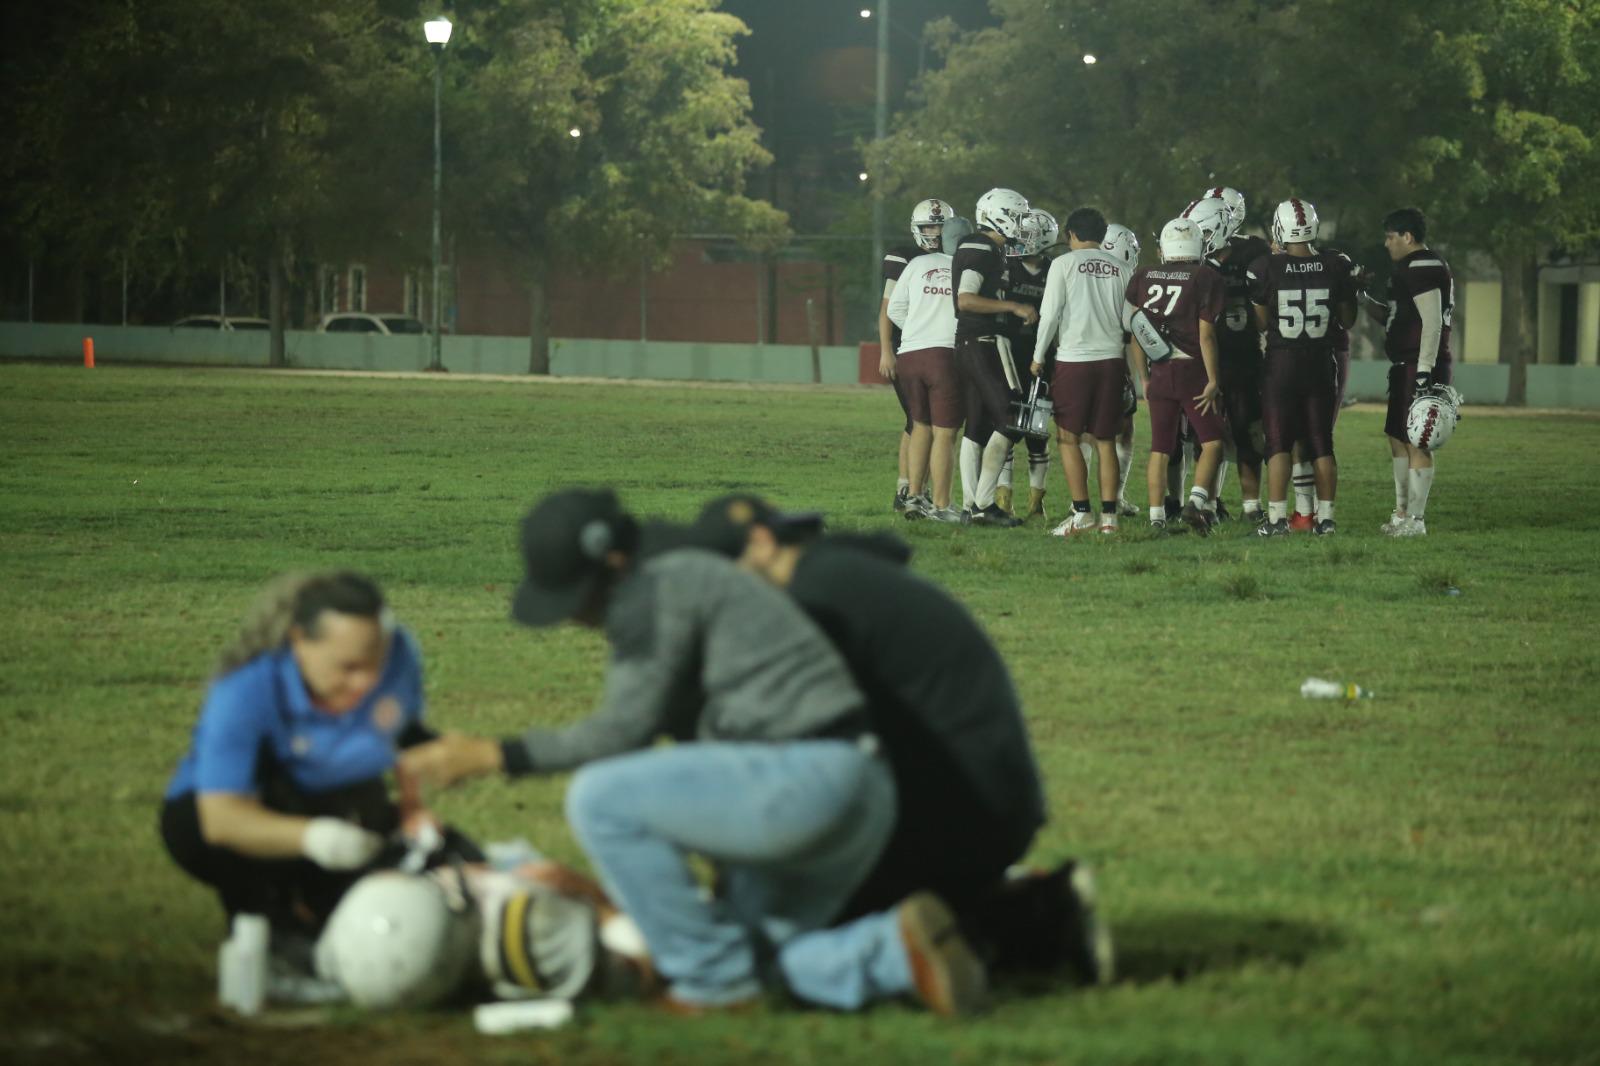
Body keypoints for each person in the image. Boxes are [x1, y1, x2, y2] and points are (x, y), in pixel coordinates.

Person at [399, 489, 988, 1016]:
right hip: (860, 787)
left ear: (612, 563)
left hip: (807, 777)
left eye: (575, 597)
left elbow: (619, 733)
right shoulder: (682, 580)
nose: (573, 616)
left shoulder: (659, 587)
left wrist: (491, 755)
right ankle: (892, 953)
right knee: (748, 953)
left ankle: (711, 985)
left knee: (601, 798)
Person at [688, 493, 1111, 983]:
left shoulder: (814, 601)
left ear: (762, 544)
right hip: (991, 794)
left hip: (966, 809)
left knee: (787, 917)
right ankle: (1025, 912)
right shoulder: (840, 573)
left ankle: (1035, 918)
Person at [160, 572, 433, 952]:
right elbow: (219, 820)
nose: (366, 683)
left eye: (376, 663)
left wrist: (412, 810)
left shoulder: (401, 654)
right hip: (221, 813)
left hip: (338, 796)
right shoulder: (245, 689)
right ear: (300, 641)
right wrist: (316, 839)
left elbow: (405, 737)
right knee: (250, 844)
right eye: (348, 668)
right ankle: (266, 930)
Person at [1248, 199, 1357, 536]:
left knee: (1278, 443)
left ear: (1280, 229)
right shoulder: (1335, 264)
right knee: (1322, 442)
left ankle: (1277, 519)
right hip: (1320, 363)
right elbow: (1347, 320)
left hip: (1281, 363)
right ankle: (1326, 520)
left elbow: (1261, 324)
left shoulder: (1265, 267)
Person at [1032, 206, 1132, 535]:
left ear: (1072, 234)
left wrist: (1038, 356)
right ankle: (1110, 519)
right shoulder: (1123, 268)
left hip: (1074, 359)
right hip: (1112, 359)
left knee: (1068, 437)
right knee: (1105, 440)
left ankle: (1082, 514)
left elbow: (1050, 315)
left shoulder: (1063, 264)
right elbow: (1129, 320)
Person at [1125, 218, 1227, 534]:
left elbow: (1137, 333)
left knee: (1160, 448)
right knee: (1213, 442)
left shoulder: (1144, 275)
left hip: (1160, 371)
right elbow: (1206, 335)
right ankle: (1195, 501)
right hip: (1192, 370)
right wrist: (1214, 379)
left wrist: (1144, 378)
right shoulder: (1205, 276)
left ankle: (1156, 517)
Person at [952, 187, 1037, 527]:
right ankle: (984, 503)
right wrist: (1014, 306)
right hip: (982, 341)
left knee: (977, 425)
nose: (1021, 224)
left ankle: (970, 504)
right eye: (1017, 217)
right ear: (999, 216)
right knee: (1012, 417)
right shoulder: (980, 246)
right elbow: (966, 299)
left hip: (975, 342)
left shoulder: (992, 249)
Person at [1371, 207, 1454, 536]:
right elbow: (1396, 316)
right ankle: (1402, 513)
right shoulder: (1409, 267)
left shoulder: (1422, 265)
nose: (1386, 243)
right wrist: (1362, 298)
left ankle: (1416, 521)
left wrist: (1423, 371)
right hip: (1405, 363)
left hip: (1420, 363)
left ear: (1407, 236)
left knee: (1418, 439)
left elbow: (1432, 322)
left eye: (1390, 236)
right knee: (1397, 437)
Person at [1190, 189, 1271, 524]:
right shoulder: (1198, 259)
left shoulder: (1253, 252)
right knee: (1207, 434)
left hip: (1242, 354)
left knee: (1248, 431)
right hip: (1207, 357)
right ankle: (1209, 503)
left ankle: (1251, 504)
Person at [886, 216, 974, 523]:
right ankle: (941, 505)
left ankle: (913, 497)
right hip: (945, 356)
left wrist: (916, 329)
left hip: (909, 354)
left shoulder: (917, 264)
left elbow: (894, 309)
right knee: (945, 434)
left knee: (919, 426)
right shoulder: (966, 269)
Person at [882, 199, 955, 514]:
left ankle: (914, 493)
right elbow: (887, 308)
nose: (934, 233)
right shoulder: (906, 258)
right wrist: (886, 349)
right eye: (928, 226)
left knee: (919, 423)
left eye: (940, 227)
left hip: (918, 349)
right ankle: (914, 490)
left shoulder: (949, 258)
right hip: (918, 347)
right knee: (927, 425)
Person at [996, 208, 1058, 521]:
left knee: (1038, 431)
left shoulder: (1056, 269)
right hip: (1009, 354)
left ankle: (1036, 501)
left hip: (1043, 357)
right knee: (1006, 427)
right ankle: (1003, 498)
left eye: (1026, 235)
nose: (1018, 240)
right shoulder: (1005, 265)